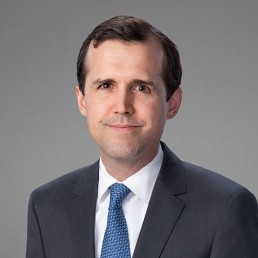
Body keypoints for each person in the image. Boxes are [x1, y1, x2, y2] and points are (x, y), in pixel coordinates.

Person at [26, 15, 258, 258]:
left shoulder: (225, 209)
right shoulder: (45, 207)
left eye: (141, 87)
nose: (122, 106)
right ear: (82, 100)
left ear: (172, 103)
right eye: (106, 85)